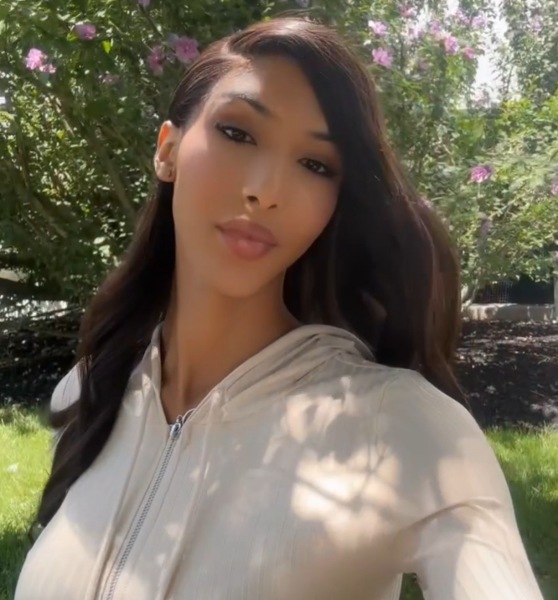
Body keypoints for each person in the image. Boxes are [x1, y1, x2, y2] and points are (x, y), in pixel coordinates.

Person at [15, 16, 543, 600]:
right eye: (237, 133)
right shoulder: (89, 392)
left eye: (316, 165)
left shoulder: (401, 429)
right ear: (168, 150)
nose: (266, 190)